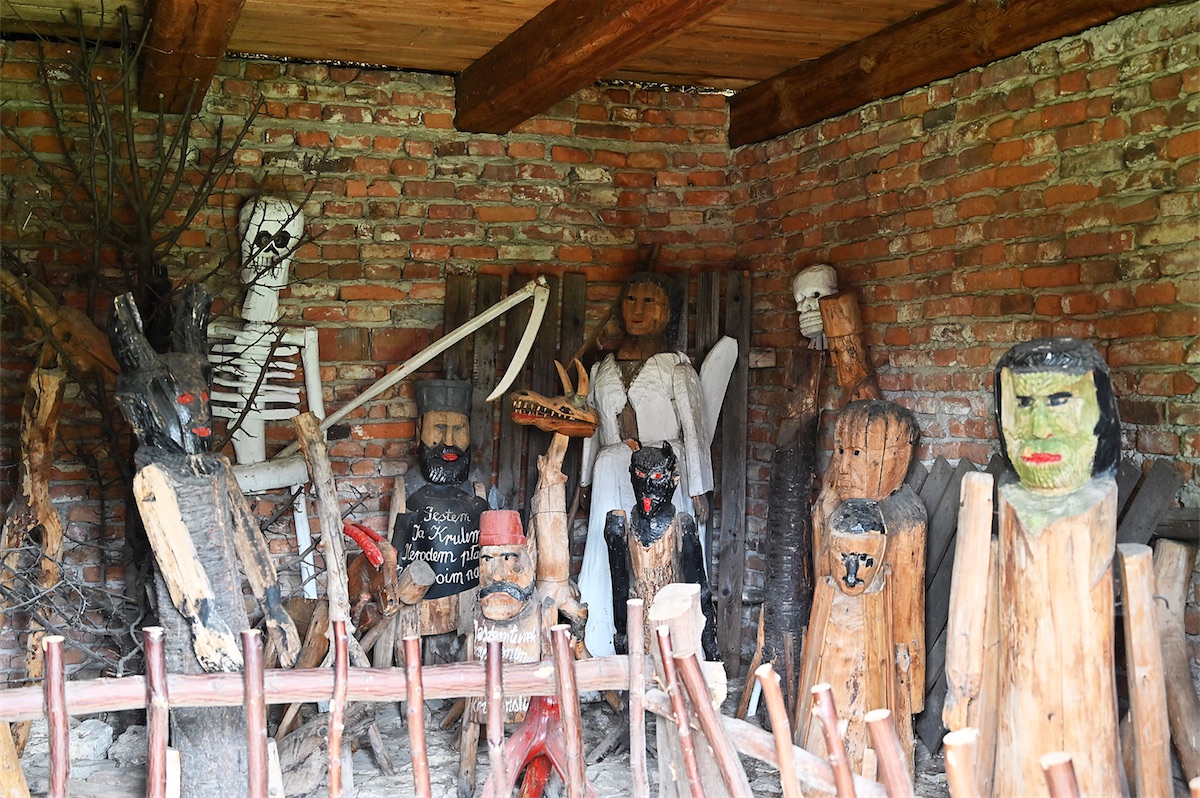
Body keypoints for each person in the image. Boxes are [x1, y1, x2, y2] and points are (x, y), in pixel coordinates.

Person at [578, 272, 713, 657]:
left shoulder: (676, 369)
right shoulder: (602, 370)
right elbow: (591, 428)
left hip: (663, 473)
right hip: (611, 472)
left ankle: (675, 647)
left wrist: (697, 487)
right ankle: (602, 641)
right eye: (630, 300)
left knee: (665, 554)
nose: (637, 310)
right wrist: (586, 480)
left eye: (649, 301)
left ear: (668, 311)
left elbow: (695, 431)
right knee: (608, 548)